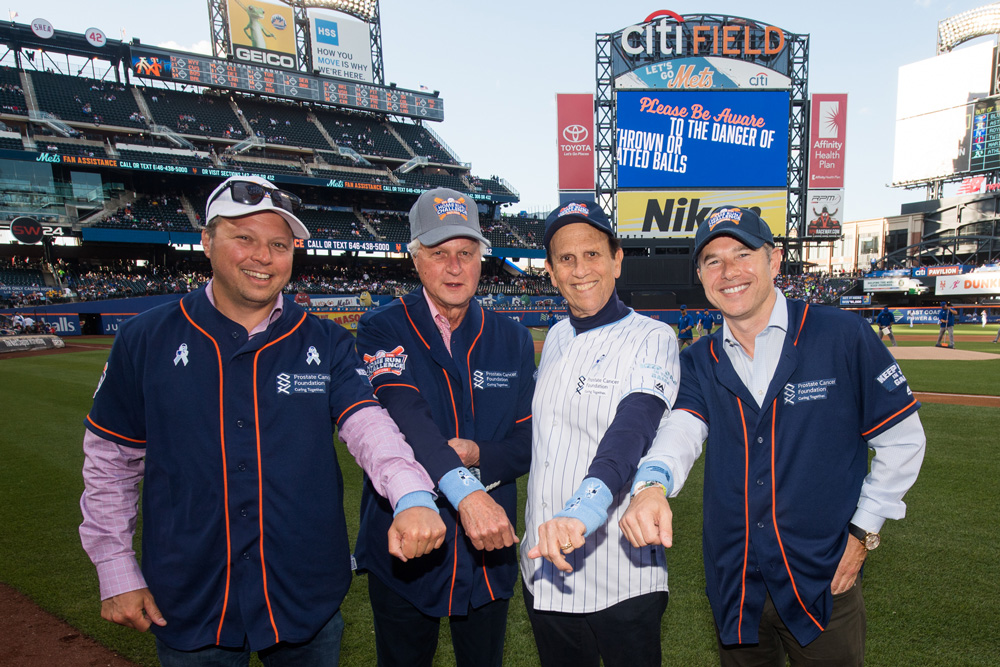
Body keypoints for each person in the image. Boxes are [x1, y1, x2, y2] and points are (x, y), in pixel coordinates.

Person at [79, 175, 447, 666]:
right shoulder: (143, 340)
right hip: (191, 593)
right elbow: (111, 462)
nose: (263, 256)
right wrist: (115, 568)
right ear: (207, 240)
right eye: (244, 238)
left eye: (279, 244)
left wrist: (414, 496)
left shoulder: (327, 341)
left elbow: (369, 426)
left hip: (303, 593)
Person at [619, 206, 926, 666]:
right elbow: (680, 431)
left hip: (822, 579)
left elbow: (903, 440)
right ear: (701, 276)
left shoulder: (841, 334)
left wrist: (864, 531)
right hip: (736, 583)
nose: (729, 272)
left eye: (742, 254)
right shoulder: (699, 359)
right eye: (713, 261)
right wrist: (650, 486)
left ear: (774, 261)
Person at [354, 187, 535, 667]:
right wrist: (465, 488)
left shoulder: (512, 338)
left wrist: (476, 454)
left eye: (466, 252)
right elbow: (404, 415)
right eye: (439, 254)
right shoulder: (382, 328)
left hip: (488, 548)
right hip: (407, 547)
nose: (455, 267)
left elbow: (527, 446)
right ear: (415, 259)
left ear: (481, 258)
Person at [522, 201, 679, 666]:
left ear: (617, 259)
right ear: (550, 272)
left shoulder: (652, 335)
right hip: (545, 566)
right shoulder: (554, 338)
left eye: (592, 254)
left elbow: (633, 427)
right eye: (566, 259)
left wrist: (584, 507)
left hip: (620, 573)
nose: (580, 270)